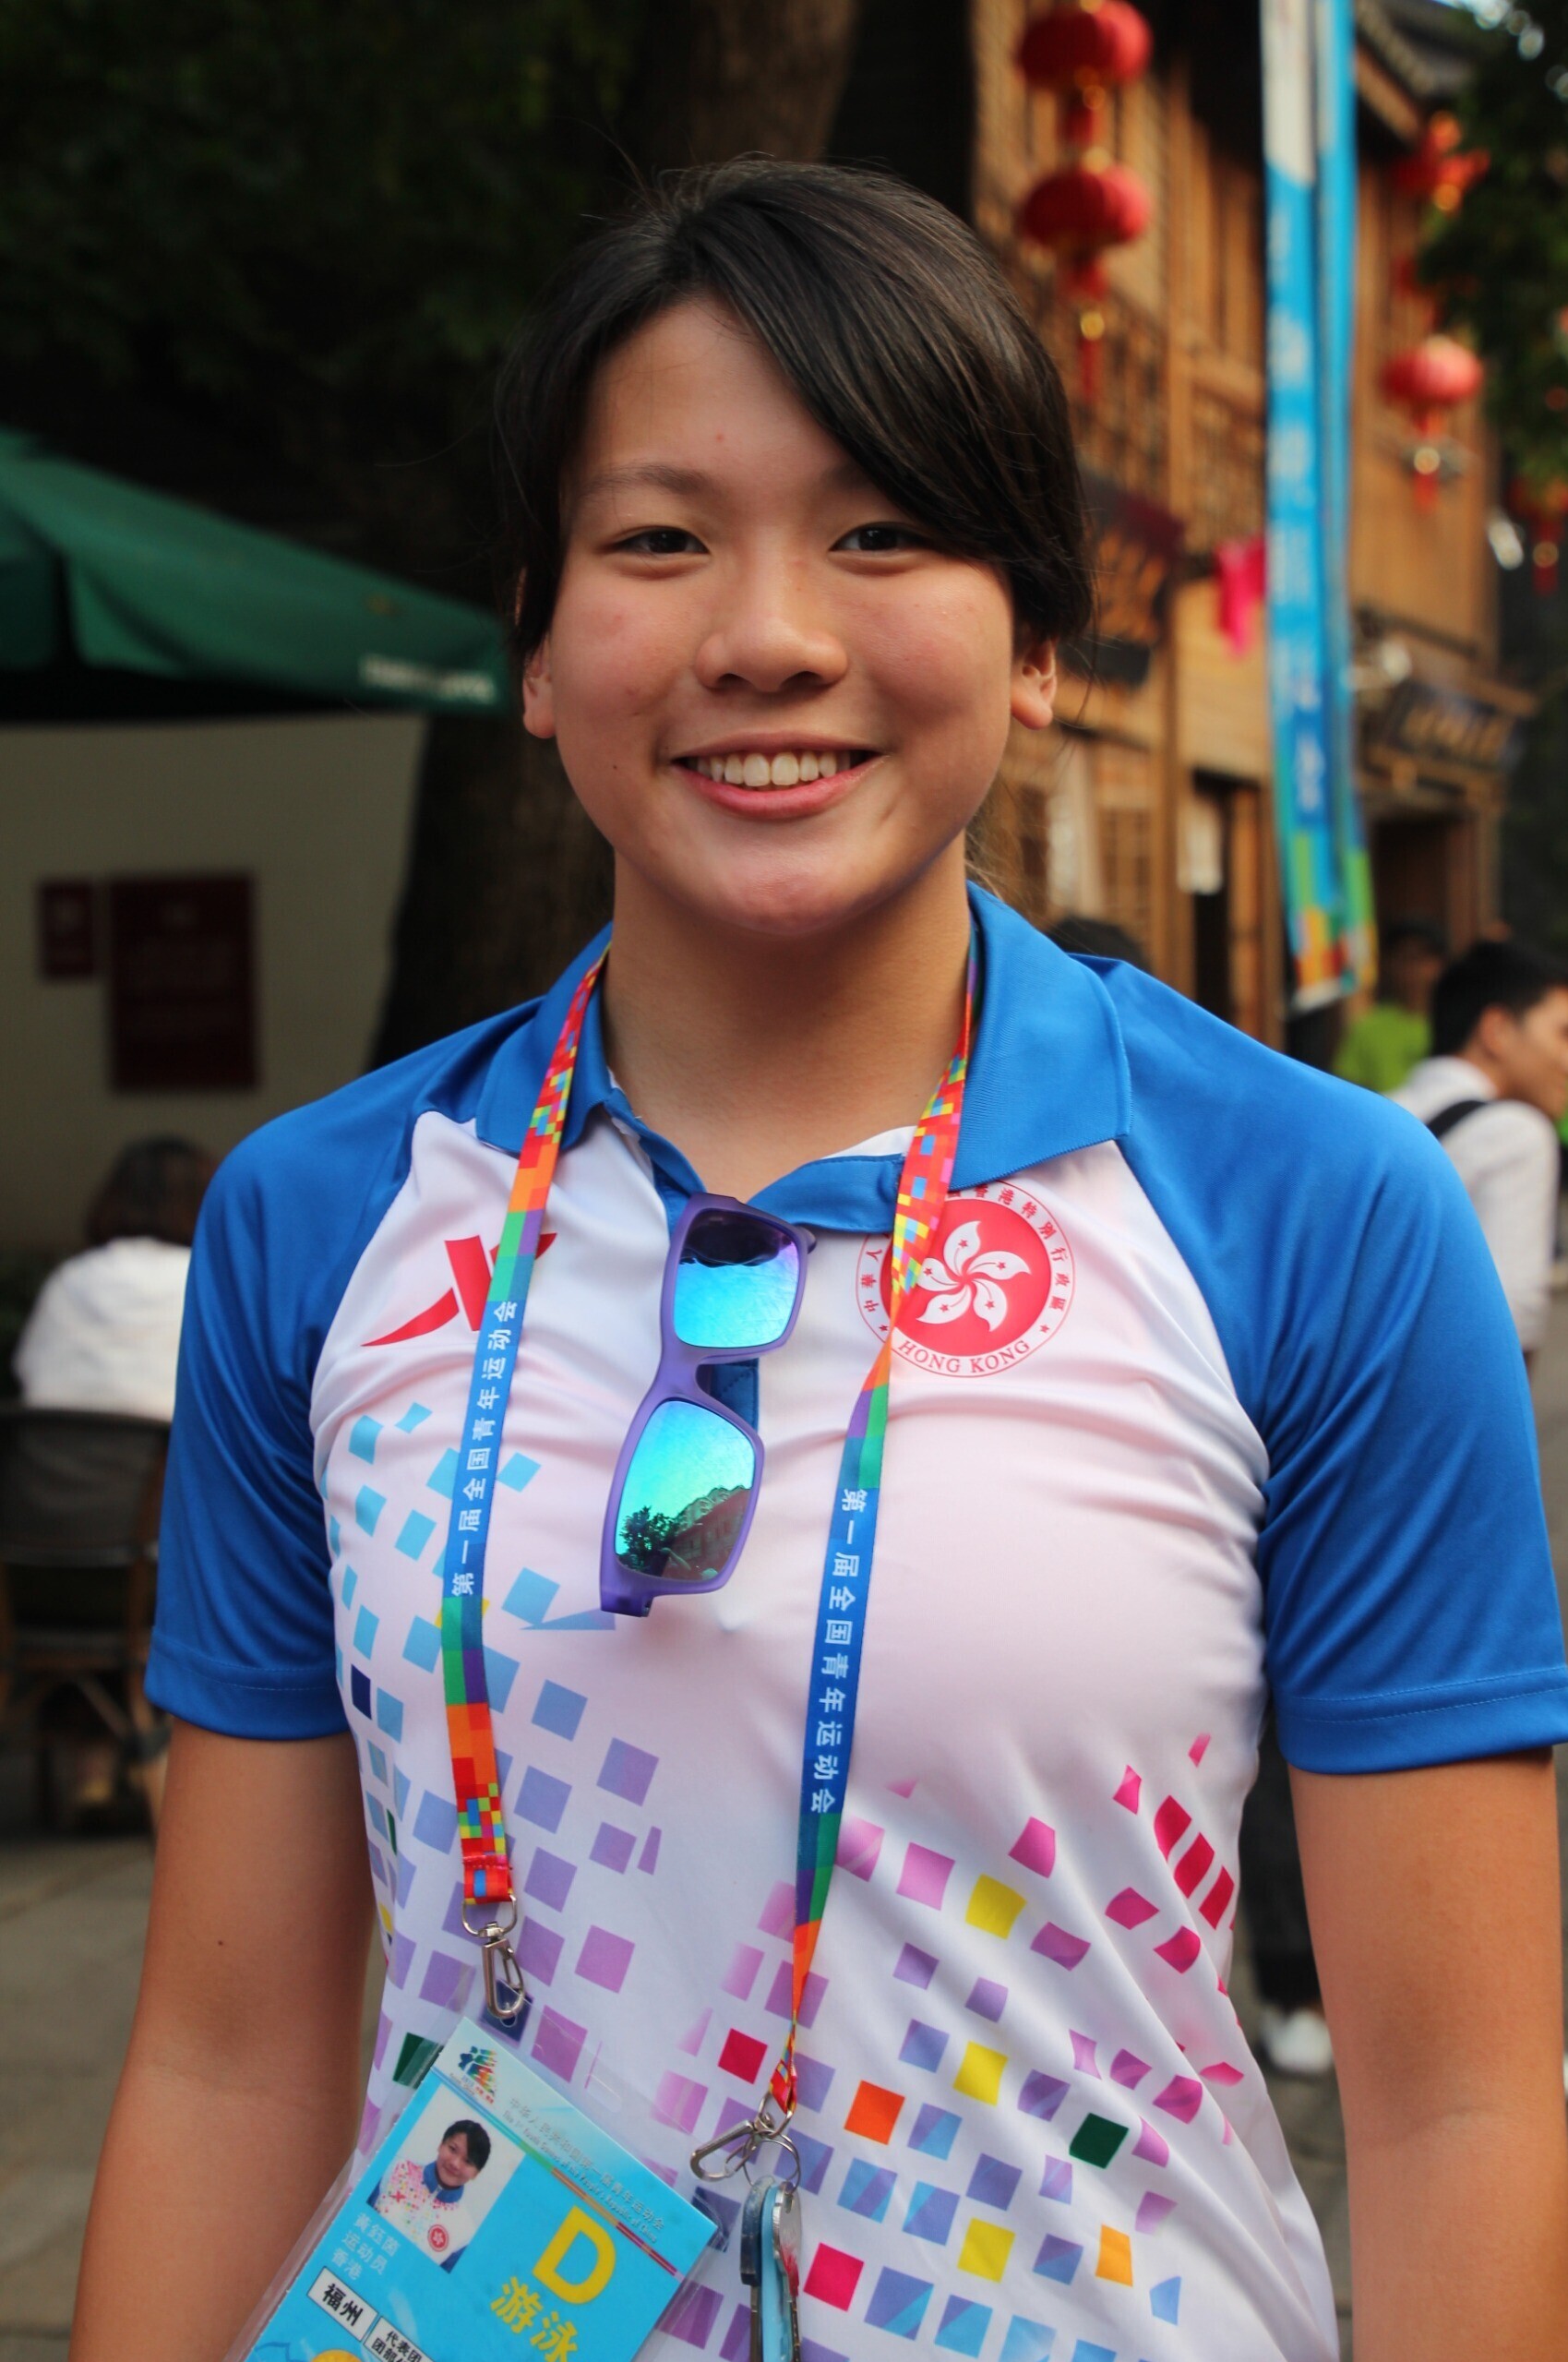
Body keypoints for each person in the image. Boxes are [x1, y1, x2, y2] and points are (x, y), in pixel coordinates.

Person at [75, 163, 1568, 2362]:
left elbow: (1458, 2105)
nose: (765, 632)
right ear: (534, 641)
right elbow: (227, 2059)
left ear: (1039, 642)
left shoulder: (1311, 1211)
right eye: (657, 539)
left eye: (880, 533)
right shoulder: (322, 1221)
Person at [1394, 938, 1568, 1364]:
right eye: (1564, 1034)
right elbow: (1509, 1325)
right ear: (1496, 1031)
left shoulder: (1380, 1112)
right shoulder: (1518, 1133)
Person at [13, 1136, 213, 1422]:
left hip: (54, 1446)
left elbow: (28, 1370)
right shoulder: (203, 1281)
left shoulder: (73, 1276)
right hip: (164, 1446)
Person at [1332, 917, 1445, 1094]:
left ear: (1441, 963)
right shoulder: (1367, 1029)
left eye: (1421, 958)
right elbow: (1345, 1091)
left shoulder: (1457, 1023)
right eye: (1404, 958)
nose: (1413, 969)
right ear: (1388, 964)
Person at [371, 2118, 491, 2269]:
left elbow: (435, 2281)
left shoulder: (465, 2233)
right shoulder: (394, 2169)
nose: (455, 2164)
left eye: (468, 2161)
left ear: (476, 2173)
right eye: (453, 2149)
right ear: (441, 2145)